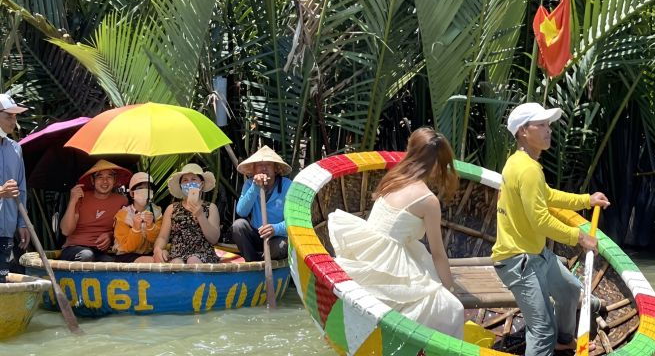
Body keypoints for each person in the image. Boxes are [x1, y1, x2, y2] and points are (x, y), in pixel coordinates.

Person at [492, 102, 611, 356]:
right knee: (542, 329)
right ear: (523, 131)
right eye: (541, 125)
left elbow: (547, 196)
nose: (549, 130)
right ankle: (549, 341)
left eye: (549, 125)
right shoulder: (528, 169)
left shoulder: (520, 162)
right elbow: (541, 221)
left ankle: (563, 340)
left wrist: (586, 200)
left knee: (569, 291)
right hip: (519, 262)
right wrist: (580, 237)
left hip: (535, 253)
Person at [326, 127, 464, 338]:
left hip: (370, 252)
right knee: (453, 309)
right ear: (436, 163)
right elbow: (438, 253)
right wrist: (451, 291)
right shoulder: (428, 201)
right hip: (388, 262)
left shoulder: (394, 178)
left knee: (426, 272)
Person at [60, 160, 131, 262]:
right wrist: (72, 201)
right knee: (86, 255)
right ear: (92, 180)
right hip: (74, 248)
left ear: (114, 180)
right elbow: (66, 231)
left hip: (99, 252)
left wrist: (110, 235)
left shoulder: (121, 201)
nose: (105, 181)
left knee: (111, 263)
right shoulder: (81, 197)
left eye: (109, 177)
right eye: (100, 177)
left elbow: (124, 230)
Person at [232, 145, 292, 261]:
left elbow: (294, 220)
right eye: (259, 165)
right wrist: (255, 187)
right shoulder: (249, 184)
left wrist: (275, 228)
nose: (264, 169)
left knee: (281, 247)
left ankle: (264, 260)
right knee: (238, 226)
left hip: (276, 236)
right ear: (253, 170)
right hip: (256, 234)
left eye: (268, 165)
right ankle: (252, 262)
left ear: (275, 169)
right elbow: (241, 211)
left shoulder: (287, 185)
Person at [153, 163, 220, 264]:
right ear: (181, 185)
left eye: (193, 179)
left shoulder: (210, 207)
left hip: (203, 253)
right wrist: (157, 248)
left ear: (201, 184)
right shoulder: (171, 209)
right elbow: (163, 237)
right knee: (176, 263)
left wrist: (201, 216)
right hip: (177, 254)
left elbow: (214, 239)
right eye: (185, 180)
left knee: (193, 260)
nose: (189, 183)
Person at [0, 94, 30, 282]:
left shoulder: (15, 149)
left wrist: (22, 223)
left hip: (6, 230)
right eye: (8, 116)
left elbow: (22, 189)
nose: (14, 121)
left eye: (15, 116)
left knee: (1, 282)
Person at [112, 172, 162, 263]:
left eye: (148, 188)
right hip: (126, 255)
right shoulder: (123, 215)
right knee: (152, 261)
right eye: (140, 188)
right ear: (132, 193)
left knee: (163, 256)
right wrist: (135, 229)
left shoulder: (157, 212)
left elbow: (159, 240)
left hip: (149, 253)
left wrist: (151, 227)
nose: (145, 191)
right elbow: (127, 247)